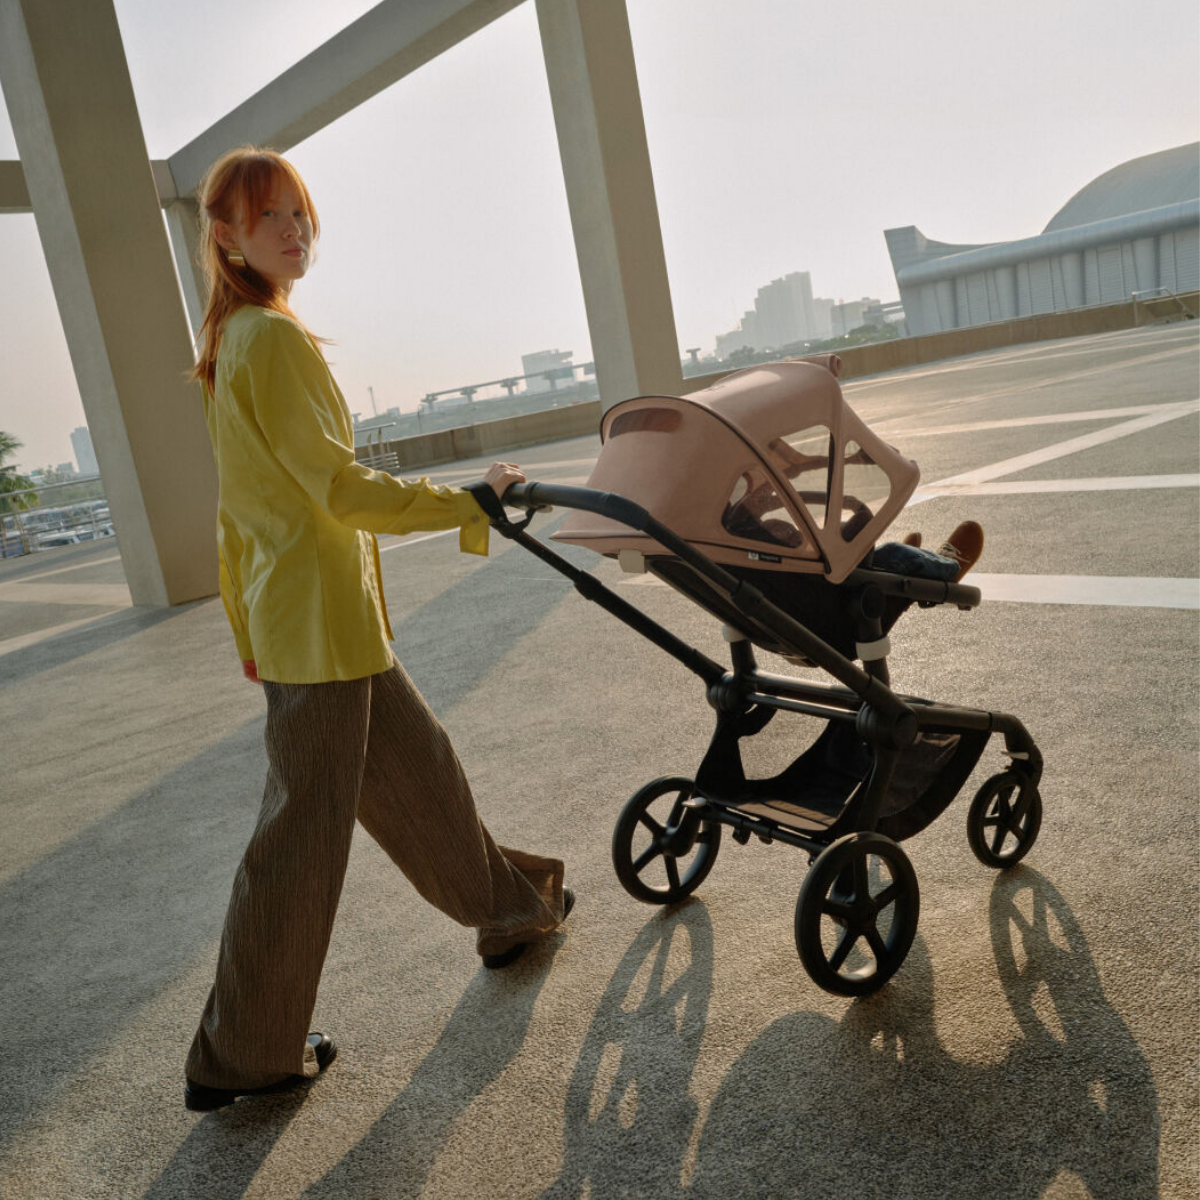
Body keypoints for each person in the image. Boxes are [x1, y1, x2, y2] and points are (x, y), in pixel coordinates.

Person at [182, 146, 572, 1113]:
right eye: (269, 218)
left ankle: (514, 914)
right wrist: (472, 499)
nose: (293, 231)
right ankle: (242, 1053)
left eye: (301, 214)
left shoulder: (233, 339)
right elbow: (342, 490)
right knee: (300, 842)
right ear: (225, 236)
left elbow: (237, 514)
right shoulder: (270, 341)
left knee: (421, 777)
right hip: (315, 630)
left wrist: (246, 629)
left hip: (312, 627)